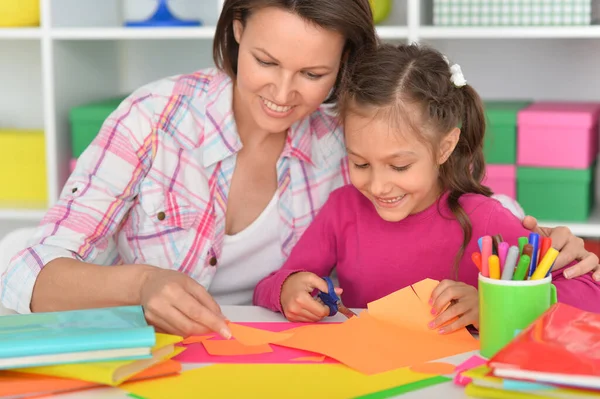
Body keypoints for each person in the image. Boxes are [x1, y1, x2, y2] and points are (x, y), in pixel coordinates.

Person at [0, 1, 596, 339]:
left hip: (280, 353)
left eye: (314, 75)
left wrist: (550, 251)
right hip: (151, 348)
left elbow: (447, 198)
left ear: (344, 69)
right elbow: (26, 272)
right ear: (235, 32)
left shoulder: (346, 140)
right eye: (265, 61)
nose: (284, 95)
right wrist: (140, 284)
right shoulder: (153, 119)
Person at [253, 43, 600, 332]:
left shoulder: (486, 218)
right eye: (360, 163)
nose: (377, 185)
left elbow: (588, 294)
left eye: (399, 166)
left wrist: (493, 305)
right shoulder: (342, 209)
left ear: (445, 147)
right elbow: (274, 282)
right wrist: (287, 290)